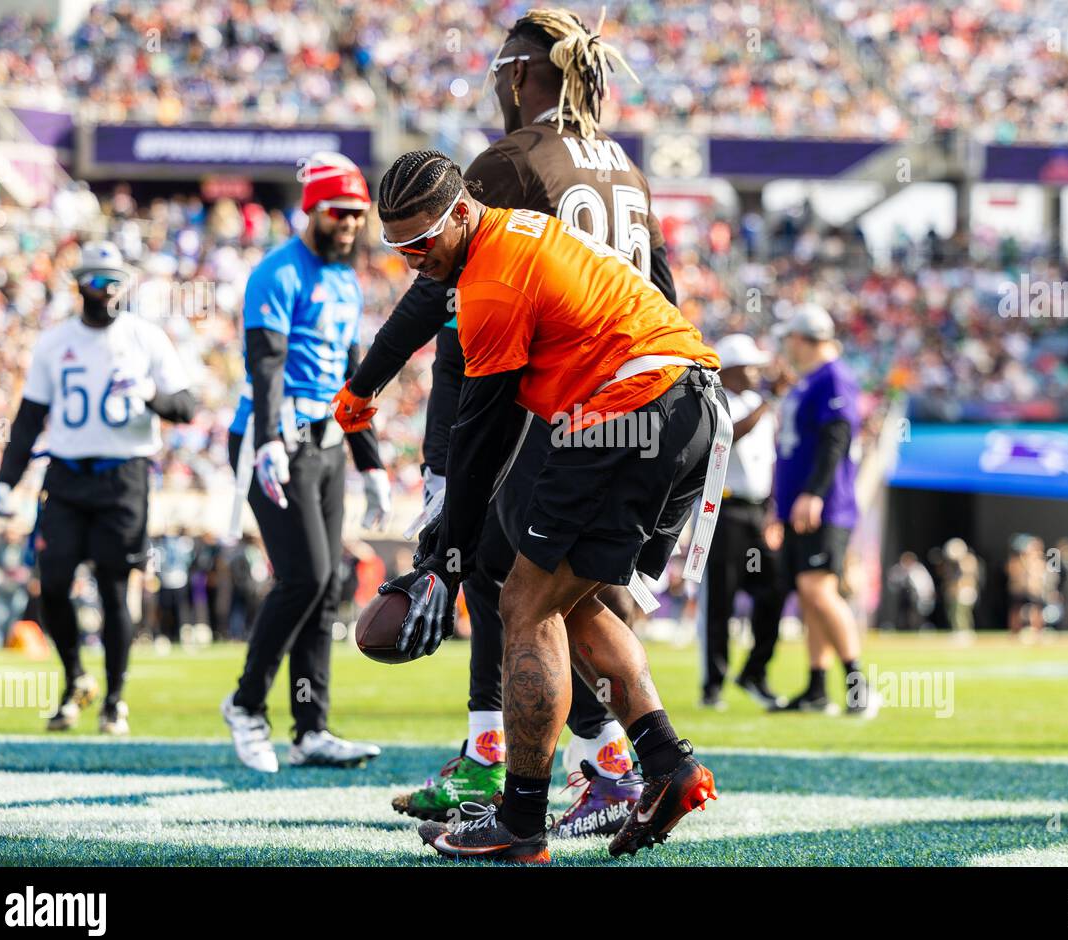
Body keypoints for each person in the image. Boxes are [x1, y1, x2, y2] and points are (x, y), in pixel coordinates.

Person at [333, 9, 675, 838]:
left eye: (497, 72)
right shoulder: (620, 165)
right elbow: (659, 282)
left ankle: (556, 773)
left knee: (506, 584)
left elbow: (444, 286)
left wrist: (369, 384)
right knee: (561, 592)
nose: (493, 86)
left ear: (521, 75)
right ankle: (617, 760)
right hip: (633, 393)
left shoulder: (512, 161)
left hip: (539, 397)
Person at [373, 148, 724, 863]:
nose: (412, 258)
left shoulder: (491, 282)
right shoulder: (516, 234)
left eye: (421, 241)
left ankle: (521, 821)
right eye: (397, 247)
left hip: (631, 403)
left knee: (523, 604)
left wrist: (446, 553)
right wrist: (455, 542)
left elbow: (486, 426)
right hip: (687, 403)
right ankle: (668, 763)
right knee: (570, 598)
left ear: (462, 212)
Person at [220, 152, 388, 773]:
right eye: (338, 212)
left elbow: (351, 376)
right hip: (274, 439)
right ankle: (245, 704)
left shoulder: (345, 278)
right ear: (311, 210)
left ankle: (309, 726)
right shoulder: (277, 272)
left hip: (324, 443)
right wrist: (266, 440)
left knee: (326, 589)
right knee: (305, 577)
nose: (348, 223)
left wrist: (370, 461)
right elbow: (265, 364)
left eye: (356, 213)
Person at [0, 241, 196, 734]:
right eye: (93, 282)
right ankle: (76, 678)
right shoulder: (53, 342)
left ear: (125, 286)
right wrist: (5, 479)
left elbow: (185, 407)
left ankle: (115, 699)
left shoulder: (145, 338)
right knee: (54, 582)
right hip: (64, 475)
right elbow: (29, 419)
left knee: (112, 587)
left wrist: (149, 394)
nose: (103, 292)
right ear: (77, 284)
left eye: (112, 282)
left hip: (124, 476)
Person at [771, 305, 877, 716]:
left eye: (789, 339)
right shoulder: (810, 380)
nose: (786, 347)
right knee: (808, 593)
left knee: (818, 589)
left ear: (803, 338)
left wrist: (814, 492)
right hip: (803, 504)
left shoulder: (833, 376)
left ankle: (857, 683)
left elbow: (837, 436)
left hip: (826, 505)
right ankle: (817, 687)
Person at [697, 333, 788, 711]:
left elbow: (767, 462)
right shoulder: (715, 401)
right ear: (732, 369)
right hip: (723, 510)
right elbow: (731, 435)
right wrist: (769, 401)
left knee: (773, 591)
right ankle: (713, 684)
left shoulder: (756, 403)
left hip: (754, 511)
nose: (757, 372)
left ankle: (754, 671)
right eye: (750, 366)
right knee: (721, 598)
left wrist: (773, 509)